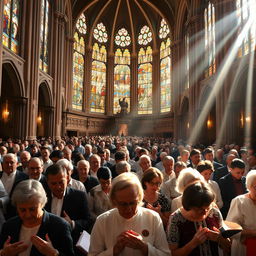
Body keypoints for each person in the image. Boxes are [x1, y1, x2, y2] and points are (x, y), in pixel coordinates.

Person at [88, 172, 170, 256]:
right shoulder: (103, 221)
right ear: (114, 201)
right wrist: (114, 251)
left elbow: (166, 254)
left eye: (132, 203)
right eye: (123, 204)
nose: (128, 209)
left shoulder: (153, 218)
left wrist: (144, 247)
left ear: (139, 198)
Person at [0, 179, 75, 256]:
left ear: (42, 204)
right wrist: (3, 253)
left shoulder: (60, 226)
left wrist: (53, 253)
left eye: (32, 209)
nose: (28, 215)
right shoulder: (9, 226)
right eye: (22, 210)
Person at [167, 181, 231, 256]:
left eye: (207, 207)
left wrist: (220, 239)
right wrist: (193, 243)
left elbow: (227, 246)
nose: (205, 212)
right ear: (189, 206)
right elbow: (172, 253)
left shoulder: (214, 213)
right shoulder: (176, 219)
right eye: (199, 209)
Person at [44, 164, 91, 254]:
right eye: (53, 183)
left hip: (71, 248)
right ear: (47, 182)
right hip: (47, 245)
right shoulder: (42, 196)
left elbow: (88, 221)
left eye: (61, 182)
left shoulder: (79, 196)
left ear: (67, 178)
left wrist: (72, 223)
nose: (58, 187)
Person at [226, 170, 256, 256]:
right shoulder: (239, 201)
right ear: (249, 186)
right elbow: (231, 229)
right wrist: (253, 233)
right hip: (244, 248)